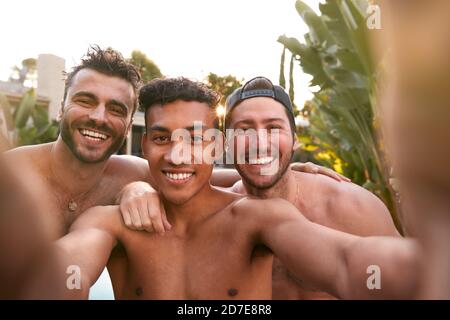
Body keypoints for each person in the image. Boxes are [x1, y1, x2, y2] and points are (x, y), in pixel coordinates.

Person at [54, 78, 418, 300]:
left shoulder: (257, 218)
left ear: (215, 147)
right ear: (145, 145)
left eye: (196, 140)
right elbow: (67, 266)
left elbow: (347, 262)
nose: (179, 155)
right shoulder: (111, 222)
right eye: (163, 138)